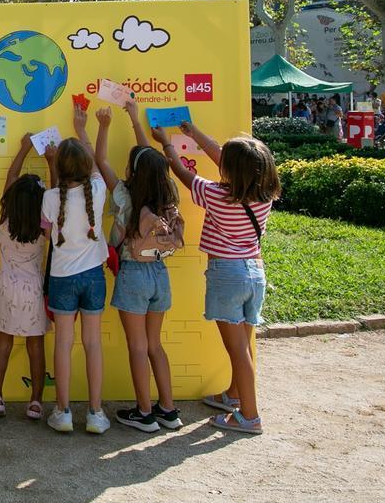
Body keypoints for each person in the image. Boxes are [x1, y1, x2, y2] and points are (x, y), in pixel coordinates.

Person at [152, 121, 281, 436]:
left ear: (231, 170)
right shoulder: (264, 195)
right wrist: (195, 133)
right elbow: (228, 158)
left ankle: (249, 416)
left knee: (236, 348)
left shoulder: (215, 194)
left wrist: (167, 144)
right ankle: (234, 395)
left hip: (228, 274)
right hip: (254, 271)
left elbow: (184, 175)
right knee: (244, 343)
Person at [102, 100, 182, 433]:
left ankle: (144, 413)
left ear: (134, 172)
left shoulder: (124, 195)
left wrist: (104, 127)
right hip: (159, 274)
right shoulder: (169, 194)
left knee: (136, 347)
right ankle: (168, 409)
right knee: (154, 345)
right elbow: (149, 160)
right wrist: (135, 121)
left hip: (133, 274)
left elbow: (101, 161)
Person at [41, 105, 111, 435]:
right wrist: (84, 130)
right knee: (93, 344)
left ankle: (63, 411)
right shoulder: (97, 191)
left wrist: (51, 164)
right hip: (94, 276)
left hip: (62, 278)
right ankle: (96, 413)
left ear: (59, 167)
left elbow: (47, 232)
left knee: (63, 345)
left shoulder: (50, 198)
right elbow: (97, 165)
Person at [0, 133, 50, 421]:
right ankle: (35, 401)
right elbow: (59, 192)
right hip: (34, 290)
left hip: (5, 287)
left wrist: (24, 147)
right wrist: (51, 161)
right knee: (35, 347)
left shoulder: (5, 217)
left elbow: (12, 175)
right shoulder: (44, 223)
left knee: (3, 344)